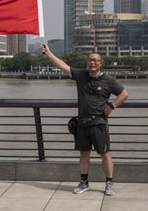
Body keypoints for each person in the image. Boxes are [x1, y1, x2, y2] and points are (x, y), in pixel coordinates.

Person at [42, 44, 128, 195]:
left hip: (99, 123)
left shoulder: (108, 80)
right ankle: (83, 182)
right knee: (84, 155)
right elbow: (64, 66)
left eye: (95, 60)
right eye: (90, 60)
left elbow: (124, 94)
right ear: (87, 62)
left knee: (105, 154)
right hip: (82, 123)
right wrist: (49, 54)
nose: (92, 62)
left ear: (100, 63)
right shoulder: (81, 75)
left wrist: (111, 106)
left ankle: (109, 183)